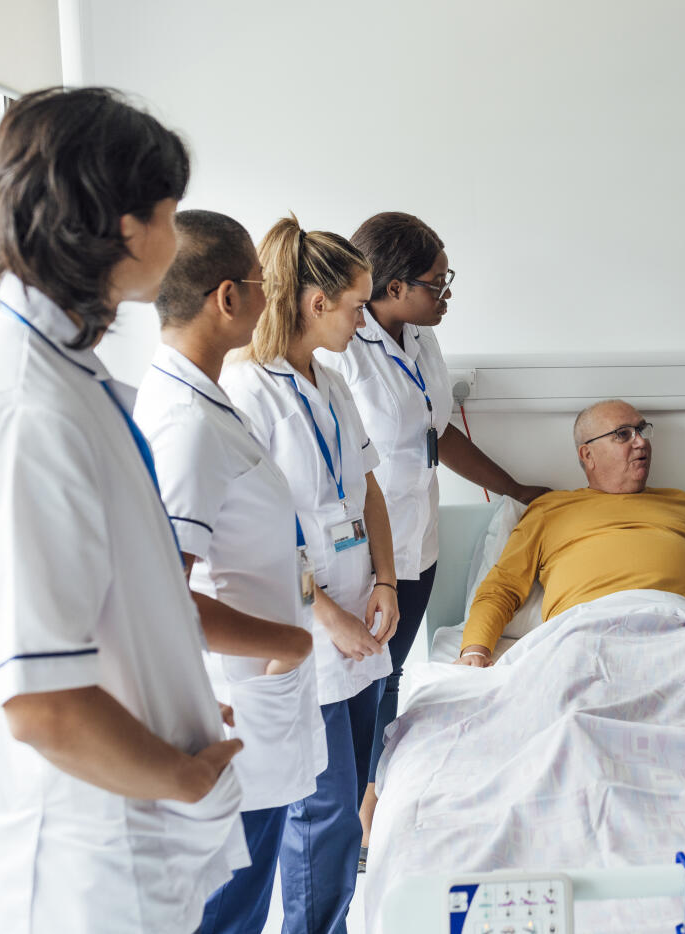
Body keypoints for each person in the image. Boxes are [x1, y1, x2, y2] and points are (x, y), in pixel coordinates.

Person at [0, 87, 246, 933]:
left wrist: (178, 700)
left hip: (135, 816)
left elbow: (120, 595)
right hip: (92, 853)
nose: (178, 238)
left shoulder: (69, 372)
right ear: (128, 230)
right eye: (170, 214)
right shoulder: (32, 406)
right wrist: (181, 773)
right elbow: (43, 705)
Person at [319, 211, 548, 854]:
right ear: (392, 287)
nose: (445, 295)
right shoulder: (343, 353)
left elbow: (435, 431)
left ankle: (373, 812)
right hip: (362, 549)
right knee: (356, 684)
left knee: (388, 676)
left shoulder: (420, 337)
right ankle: (346, 826)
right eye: (436, 283)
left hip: (416, 539)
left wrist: (515, 488)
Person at [133, 210, 324, 934]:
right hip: (240, 704)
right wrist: (292, 642)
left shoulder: (207, 401)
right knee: (228, 917)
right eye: (262, 282)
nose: (272, 295)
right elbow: (160, 597)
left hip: (257, 696)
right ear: (226, 298)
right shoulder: (187, 426)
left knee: (241, 909)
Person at [221, 216, 399, 933]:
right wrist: (327, 615)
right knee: (321, 815)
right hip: (309, 628)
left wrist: (386, 580)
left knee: (350, 802)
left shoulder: (328, 380)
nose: (364, 319)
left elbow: (369, 490)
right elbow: (256, 534)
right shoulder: (247, 392)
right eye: (356, 305)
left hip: (361, 615)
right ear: (315, 303)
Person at [456, 399, 685, 663]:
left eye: (641, 430)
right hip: (586, 638)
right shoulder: (549, 510)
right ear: (587, 454)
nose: (641, 442)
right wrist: (475, 650)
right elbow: (502, 587)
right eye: (623, 434)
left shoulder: (680, 503)